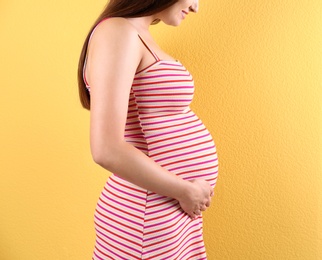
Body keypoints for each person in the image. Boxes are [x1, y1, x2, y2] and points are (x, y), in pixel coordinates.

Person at [77, 0, 219, 259]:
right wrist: (184, 191)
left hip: (164, 209)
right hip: (145, 214)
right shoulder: (119, 32)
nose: (196, 7)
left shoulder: (135, 33)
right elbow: (106, 149)